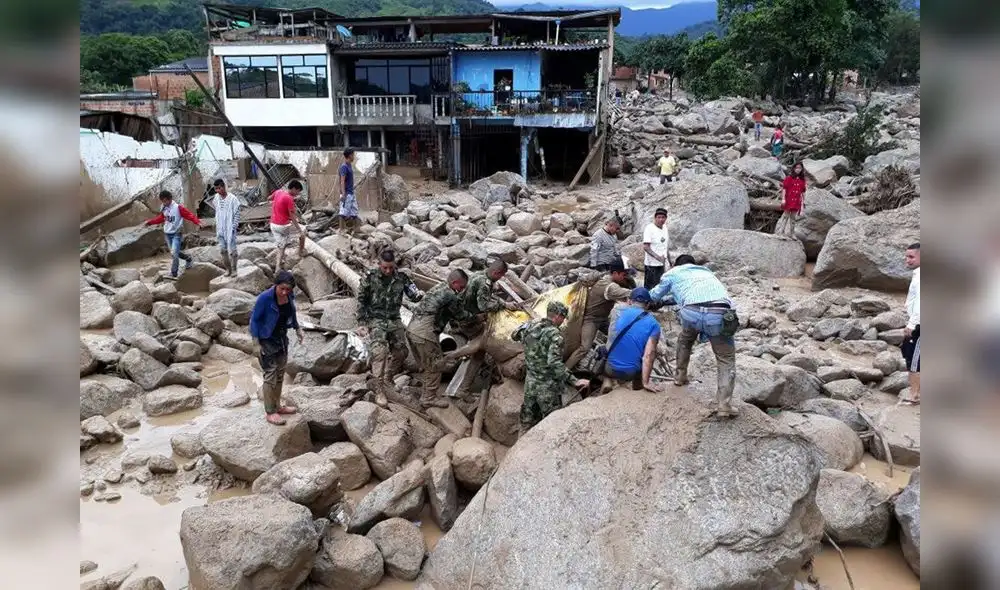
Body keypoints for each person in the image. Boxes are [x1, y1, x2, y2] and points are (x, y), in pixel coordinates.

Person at [651, 255, 738, 417]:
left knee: (685, 339)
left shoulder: (673, 272)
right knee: (725, 359)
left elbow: (655, 296)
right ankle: (724, 405)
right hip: (719, 314)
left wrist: (643, 298)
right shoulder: (707, 273)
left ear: (676, 265)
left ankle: (680, 376)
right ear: (693, 264)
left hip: (691, 313)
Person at [356, 249, 424, 407]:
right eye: (385, 267)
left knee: (401, 352)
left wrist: (420, 294)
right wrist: (361, 322)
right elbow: (362, 299)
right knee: (379, 353)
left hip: (394, 319)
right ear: (379, 264)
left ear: (394, 265)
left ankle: (388, 377)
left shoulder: (402, 277)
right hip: (376, 319)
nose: (388, 271)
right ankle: (379, 389)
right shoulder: (370, 277)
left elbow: (413, 294)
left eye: (391, 268)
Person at [512, 301, 590, 435]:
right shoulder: (555, 336)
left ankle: (520, 450)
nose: (563, 321)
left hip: (530, 382)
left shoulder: (531, 325)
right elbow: (554, 362)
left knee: (527, 421)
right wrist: (575, 381)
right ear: (558, 316)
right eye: (563, 318)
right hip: (547, 386)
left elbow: (514, 335)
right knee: (552, 424)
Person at [448, 259, 521, 397]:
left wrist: (501, 302)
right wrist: (504, 305)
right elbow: (483, 306)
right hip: (469, 321)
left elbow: (486, 297)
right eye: (500, 276)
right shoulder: (484, 284)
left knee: (479, 351)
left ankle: (460, 380)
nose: (500, 279)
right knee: (482, 347)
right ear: (496, 272)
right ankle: (454, 365)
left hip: (462, 315)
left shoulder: (479, 275)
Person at [406, 269, 469, 409]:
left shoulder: (439, 287)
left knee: (425, 364)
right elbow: (461, 315)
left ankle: (425, 389)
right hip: (424, 333)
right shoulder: (451, 295)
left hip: (412, 329)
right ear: (454, 282)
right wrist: (477, 317)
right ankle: (428, 398)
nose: (462, 290)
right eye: (462, 287)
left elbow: (445, 313)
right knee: (436, 365)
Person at [249, 271, 305, 425]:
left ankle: (278, 406)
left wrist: (297, 328)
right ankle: (270, 412)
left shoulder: (289, 296)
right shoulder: (264, 298)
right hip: (266, 339)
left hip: (281, 338)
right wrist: (255, 343)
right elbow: (254, 320)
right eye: (282, 289)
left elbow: (292, 312)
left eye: (288, 290)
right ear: (275, 286)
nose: (285, 292)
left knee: (280, 374)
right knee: (270, 375)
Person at [565, 259, 632, 371]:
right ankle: (564, 371)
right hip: (591, 319)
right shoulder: (610, 287)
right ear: (615, 273)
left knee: (621, 334)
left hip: (603, 318)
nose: (625, 277)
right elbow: (630, 294)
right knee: (584, 348)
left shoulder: (606, 278)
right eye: (624, 275)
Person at [604, 288, 662, 393]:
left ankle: (607, 380)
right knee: (643, 352)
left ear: (630, 301)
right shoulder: (654, 324)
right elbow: (648, 356)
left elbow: (611, 335)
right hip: (630, 373)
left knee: (604, 350)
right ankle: (638, 388)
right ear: (648, 304)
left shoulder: (616, 311)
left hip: (610, 368)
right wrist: (646, 382)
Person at [145, 190, 202, 279]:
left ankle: (174, 273)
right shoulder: (163, 207)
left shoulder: (178, 208)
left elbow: (189, 215)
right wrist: (150, 222)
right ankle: (188, 258)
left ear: (170, 199)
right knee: (175, 253)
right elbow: (162, 218)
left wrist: (197, 222)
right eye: (162, 201)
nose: (164, 203)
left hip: (176, 234)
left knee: (174, 253)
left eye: (165, 201)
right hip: (167, 234)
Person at [270, 179, 306, 271]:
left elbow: (269, 198)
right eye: (298, 191)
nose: (298, 194)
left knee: (281, 246)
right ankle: (301, 253)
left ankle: (278, 267)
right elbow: (292, 216)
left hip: (273, 225)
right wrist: (299, 230)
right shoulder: (289, 198)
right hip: (283, 226)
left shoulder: (278, 192)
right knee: (304, 230)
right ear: (294, 188)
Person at [900, 243, 920, 406]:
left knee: (914, 360)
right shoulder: (917, 274)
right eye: (907, 256)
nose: (907, 260)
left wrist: (912, 325)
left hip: (920, 324)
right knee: (907, 351)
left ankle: (914, 395)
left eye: (911, 257)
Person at [212, 179, 241, 276]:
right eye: (216, 189)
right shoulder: (216, 198)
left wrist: (234, 225)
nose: (217, 191)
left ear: (223, 187)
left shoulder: (233, 199)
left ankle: (234, 269)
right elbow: (217, 210)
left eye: (219, 188)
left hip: (230, 228)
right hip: (220, 228)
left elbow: (237, 212)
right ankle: (228, 269)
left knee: (232, 250)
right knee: (223, 250)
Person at [642, 208, 671, 289]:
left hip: (662, 263)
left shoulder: (665, 228)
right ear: (655, 218)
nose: (661, 219)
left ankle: (658, 301)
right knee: (650, 287)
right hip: (651, 264)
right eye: (659, 217)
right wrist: (658, 257)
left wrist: (670, 262)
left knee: (660, 285)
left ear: (666, 218)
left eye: (663, 217)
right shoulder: (649, 228)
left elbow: (665, 246)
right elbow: (646, 247)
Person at [775, 162, 806, 237]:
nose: (798, 170)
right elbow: (784, 189)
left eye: (800, 168)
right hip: (789, 199)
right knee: (786, 216)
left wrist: (804, 201)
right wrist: (783, 199)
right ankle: (781, 232)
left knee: (793, 217)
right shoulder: (789, 178)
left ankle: (792, 233)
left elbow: (803, 192)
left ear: (802, 169)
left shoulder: (802, 180)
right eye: (797, 168)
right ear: (794, 168)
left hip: (796, 201)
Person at [339, 148, 359, 235]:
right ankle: (341, 229)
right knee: (343, 212)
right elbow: (342, 181)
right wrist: (343, 194)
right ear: (350, 155)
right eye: (353, 155)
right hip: (346, 193)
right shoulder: (344, 167)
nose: (354, 156)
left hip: (351, 192)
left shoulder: (349, 165)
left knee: (354, 210)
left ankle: (355, 229)